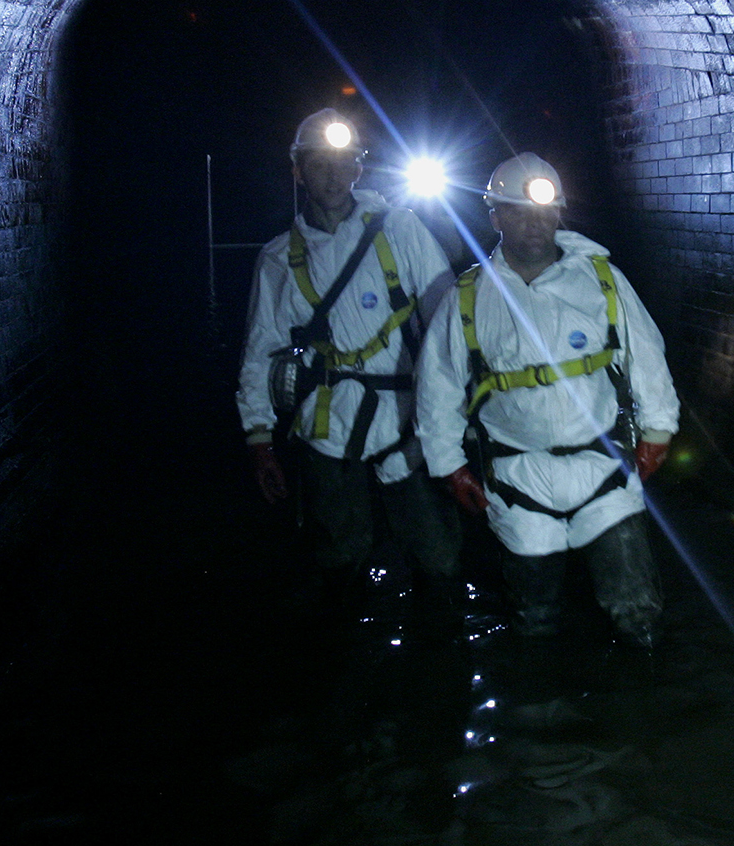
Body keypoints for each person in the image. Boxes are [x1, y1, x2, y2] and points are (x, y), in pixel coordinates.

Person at [414, 153, 679, 648]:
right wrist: (451, 467)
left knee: (638, 612)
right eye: (516, 209)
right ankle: (537, 708)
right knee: (534, 621)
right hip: (517, 478)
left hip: (603, 470)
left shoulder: (602, 281)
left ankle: (642, 702)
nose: (533, 221)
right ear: (495, 217)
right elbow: (439, 389)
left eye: (543, 208)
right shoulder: (468, 298)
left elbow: (648, 358)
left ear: (558, 211)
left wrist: (658, 435)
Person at [236, 108, 463, 628]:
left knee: (440, 561)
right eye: (319, 165)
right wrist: (259, 440)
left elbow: (448, 322)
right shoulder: (278, 259)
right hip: (327, 426)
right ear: (297, 172)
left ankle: (439, 672)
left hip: (406, 423)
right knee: (340, 567)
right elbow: (259, 351)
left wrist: (453, 417)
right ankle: (348, 678)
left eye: (343, 164)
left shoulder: (401, 231)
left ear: (359, 169)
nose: (333, 177)